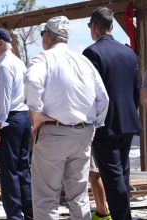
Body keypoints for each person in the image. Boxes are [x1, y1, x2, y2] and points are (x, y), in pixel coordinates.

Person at [24, 16, 109, 220]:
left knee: (46, 198)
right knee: (78, 195)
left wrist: (35, 114)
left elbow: (31, 79)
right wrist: (94, 124)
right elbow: (103, 97)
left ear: (48, 36)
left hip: (54, 132)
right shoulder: (83, 61)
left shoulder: (44, 58)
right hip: (82, 133)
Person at [83, 7, 142, 220]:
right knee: (122, 173)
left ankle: (122, 217)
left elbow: (90, 93)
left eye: (90, 27)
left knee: (113, 177)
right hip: (127, 121)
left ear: (95, 27)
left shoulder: (92, 52)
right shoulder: (128, 53)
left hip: (105, 124)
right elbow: (135, 91)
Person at [0, 28, 33, 220]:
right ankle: (30, 214)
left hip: (10, 120)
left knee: (9, 174)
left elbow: (2, 101)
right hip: (24, 117)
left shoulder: (3, 66)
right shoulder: (19, 62)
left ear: (0, 42)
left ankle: (15, 217)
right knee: (24, 170)